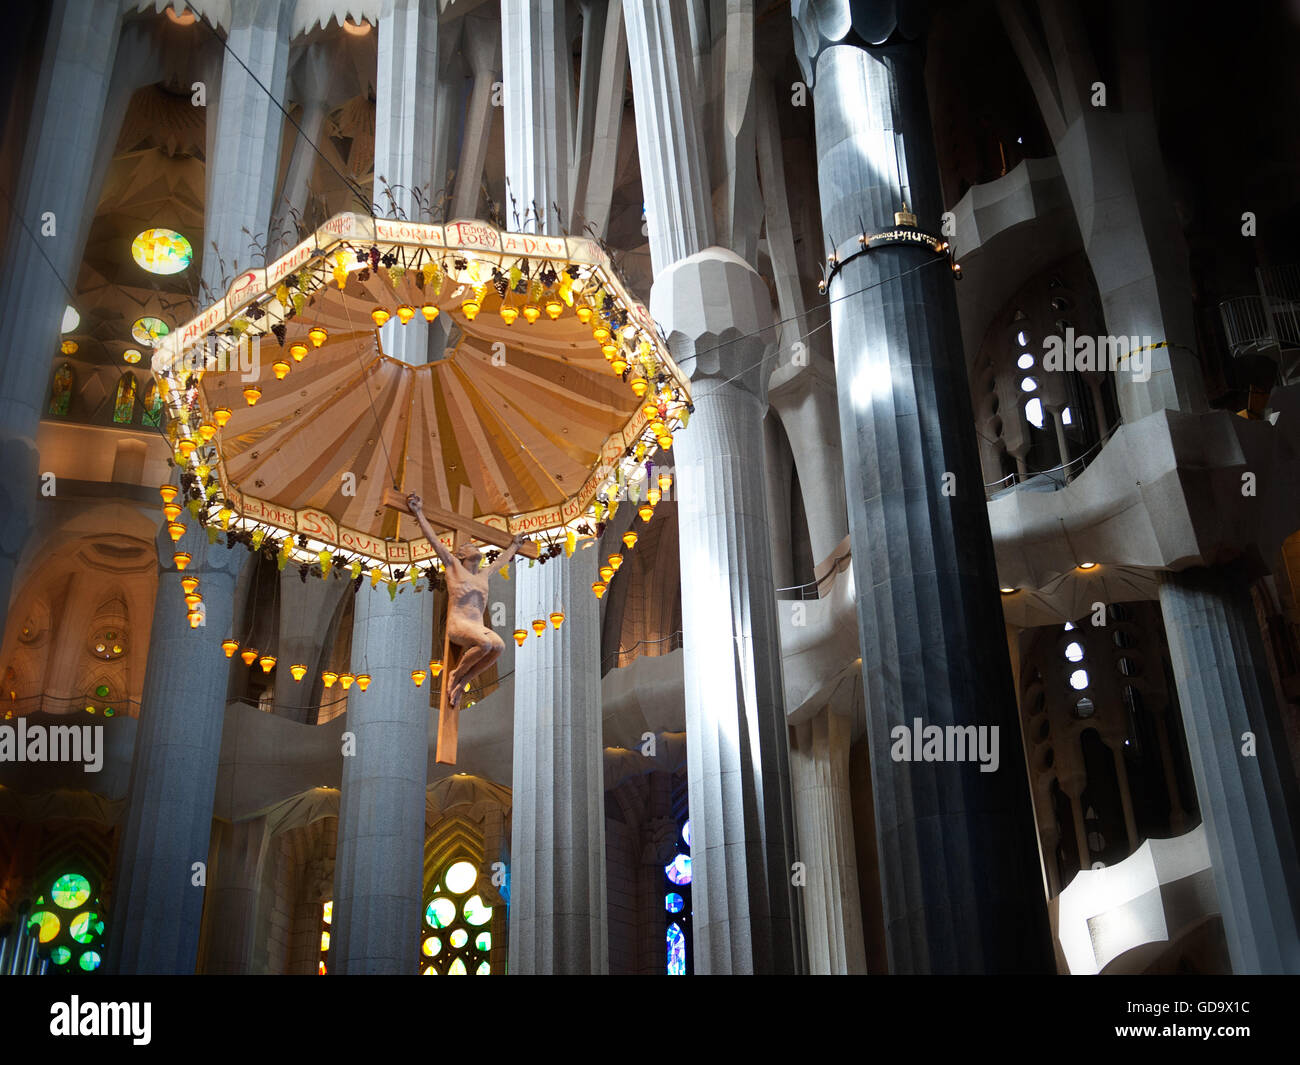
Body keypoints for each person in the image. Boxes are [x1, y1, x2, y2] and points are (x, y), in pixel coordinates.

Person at [406, 493, 524, 710]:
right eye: (471, 546)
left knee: (499, 646)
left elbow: (500, 562)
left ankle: (464, 682)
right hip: (459, 624)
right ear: (461, 554)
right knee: (486, 644)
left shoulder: (483, 575)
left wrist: (515, 546)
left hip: (477, 625)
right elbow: (434, 541)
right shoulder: (453, 566)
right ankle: (457, 674)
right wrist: (419, 512)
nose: (476, 547)